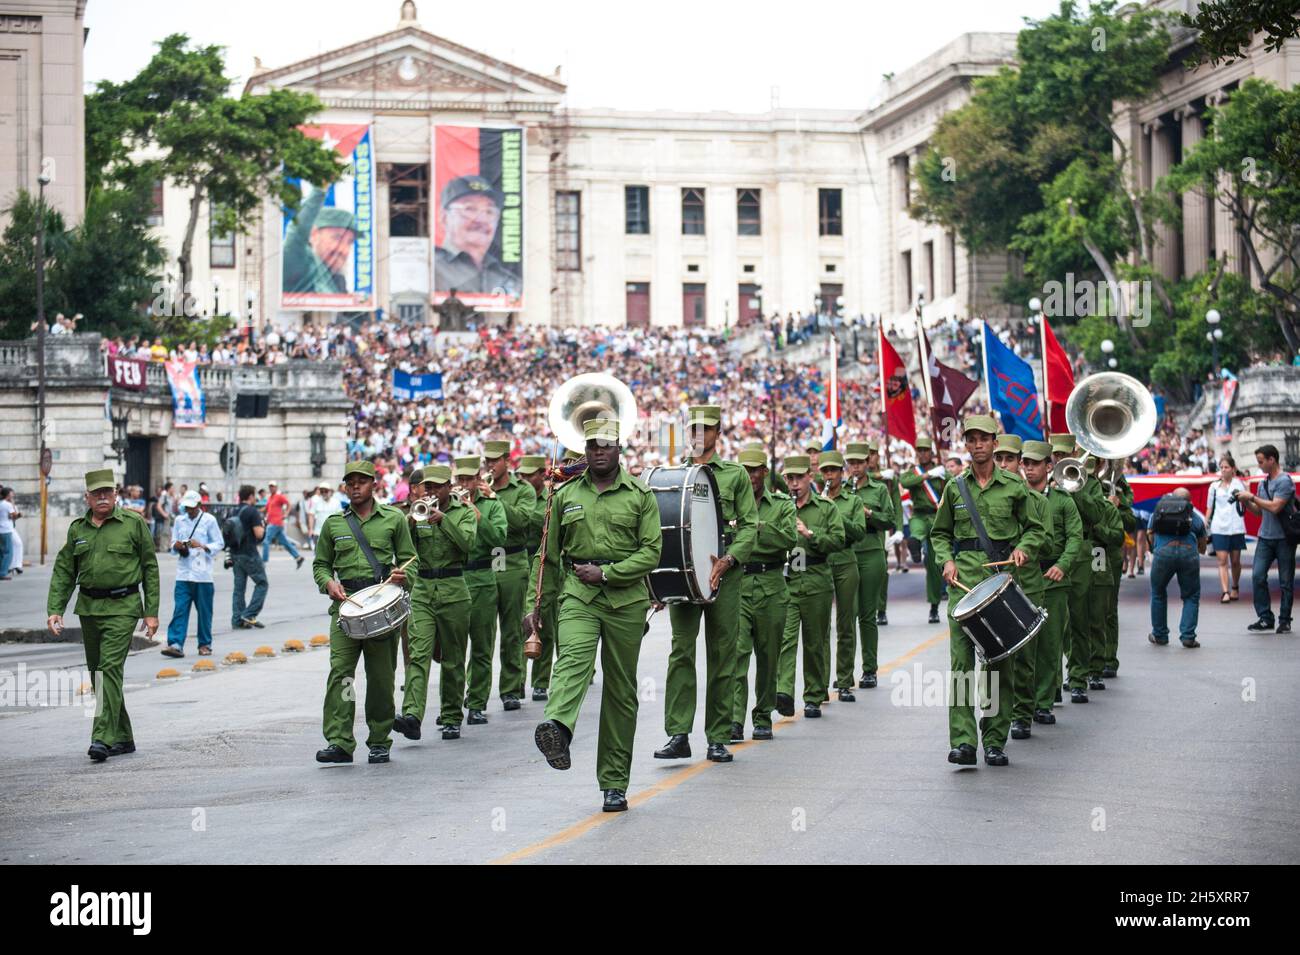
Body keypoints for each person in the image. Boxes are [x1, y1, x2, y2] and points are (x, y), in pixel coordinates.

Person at [528, 417, 662, 813]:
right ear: (584, 451)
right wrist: (533, 607)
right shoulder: (565, 495)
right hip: (578, 594)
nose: (598, 451)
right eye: (592, 446)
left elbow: (651, 551)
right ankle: (558, 729)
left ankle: (614, 783)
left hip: (626, 599)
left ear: (619, 448)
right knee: (572, 660)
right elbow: (547, 557)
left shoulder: (640, 495)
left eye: (605, 444)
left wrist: (608, 573)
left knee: (621, 693)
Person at [930, 415, 1044, 767]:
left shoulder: (1013, 486)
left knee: (998, 663)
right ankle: (963, 741)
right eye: (971, 439)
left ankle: (995, 739)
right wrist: (945, 561)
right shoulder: (955, 487)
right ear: (965, 444)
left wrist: (1023, 549)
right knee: (962, 664)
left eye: (984, 439)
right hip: (962, 588)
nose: (977, 444)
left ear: (996, 443)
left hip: (1000, 586)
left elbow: (1035, 529)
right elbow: (939, 534)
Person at [658, 405, 757, 762]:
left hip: (724, 576)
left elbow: (749, 526)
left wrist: (729, 560)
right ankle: (678, 734)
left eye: (705, 428)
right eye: (693, 428)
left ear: (718, 432)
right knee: (680, 652)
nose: (698, 435)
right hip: (685, 572)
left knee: (722, 654)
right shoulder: (675, 474)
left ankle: (717, 735)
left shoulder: (735, 475)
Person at [46, 470, 160, 761]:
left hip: (124, 607)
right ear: (87, 497)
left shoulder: (133, 524)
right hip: (89, 608)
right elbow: (64, 571)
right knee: (98, 673)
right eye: (96, 493)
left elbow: (149, 567)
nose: (102, 497)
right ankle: (123, 736)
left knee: (109, 668)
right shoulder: (77, 530)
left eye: (107, 492)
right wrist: (55, 608)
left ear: (116, 494)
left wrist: (151, 612)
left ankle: (101, 737)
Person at [312, 460, 415, 764]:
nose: (355, 486)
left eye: (362, 481)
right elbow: (320, 564)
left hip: (381, 606)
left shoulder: (394, 519)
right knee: (342, 675)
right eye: (350, 482)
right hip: (345, 608)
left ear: (374, 485)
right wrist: (328, 582)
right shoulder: (334, 523)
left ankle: (380, 739)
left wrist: (403, 574)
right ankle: (340, 740)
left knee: (381, 677)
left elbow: (412, 560)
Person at [395, 466, 476, 742]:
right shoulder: (416, 512)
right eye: (427, 487)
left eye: (437, 487)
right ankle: (412, 716)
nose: (430, 492)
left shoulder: (463, 512)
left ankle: (452, 716)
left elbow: (468, 544)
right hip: (423, 590)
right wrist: (410, 522)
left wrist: (443, 521)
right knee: (417, 654)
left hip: (454, 588)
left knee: (453, 658)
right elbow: (403, 548)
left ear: (448, 487)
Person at [731, 447, 795, 741]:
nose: (750, 476)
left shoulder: (781, 504)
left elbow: (787, 539)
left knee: (768, 656)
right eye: (744, 470)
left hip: (771, 584)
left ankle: (763, 715)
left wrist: (752, 528)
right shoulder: (729, 506)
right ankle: (734, 718)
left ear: (764, 473)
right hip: (739, 584)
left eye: (755, 470)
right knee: (738, 653)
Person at [775, 455, 846, 720]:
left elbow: (839, 541)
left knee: (815, 642)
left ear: (809, 477)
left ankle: (814, 695)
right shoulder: (781, 506)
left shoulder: (825, 508)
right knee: (786, 639)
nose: (794, 484)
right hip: (789, 579)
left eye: (798, 478)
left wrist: (810, 535)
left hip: (816, 578)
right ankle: (783, 691)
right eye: (789, 479)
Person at [1019, 441, 1082, 727]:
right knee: (1022, 645)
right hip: (1022, 579)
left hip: (1053, 581)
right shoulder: (1016, 497)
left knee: (1049, 644)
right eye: (1026, 463)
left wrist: (1062, 565)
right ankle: (1023, 704)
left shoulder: (1062, 500)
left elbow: (1074, 537)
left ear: (1048, 466)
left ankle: (1043, 703)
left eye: (1035, 463)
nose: (1029, 468)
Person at [484, 439, 534, 711]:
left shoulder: (522, 490)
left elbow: (522, 522)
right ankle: (476, 692)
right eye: (487, 461)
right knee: (482, 632)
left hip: (513, 561)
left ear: (507, 461)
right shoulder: (480, 488)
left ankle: (511, 688)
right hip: (484, 563)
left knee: (512, 630)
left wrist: (493, 500)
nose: (490, 465)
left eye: (495, 460)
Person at [458, 455, 508, 726]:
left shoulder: (491, 505)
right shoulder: (448, 506)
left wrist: (478, 516)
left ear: (478, 480)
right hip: (456, 578)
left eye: (469, 479)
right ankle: (452, 706)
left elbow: (499, 540)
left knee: (481, 646)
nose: (464, 484)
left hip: (482, 577)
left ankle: (476, 702)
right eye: (460, 479)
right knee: (454, 650)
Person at [844, 443, 894, 688]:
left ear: (867, 463)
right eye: (851, 463)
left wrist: (869, 514)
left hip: (871, 551)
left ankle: (869, 670)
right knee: (847, 615)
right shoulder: (841, 490)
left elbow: (890, 520)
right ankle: (844, 673)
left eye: (859, 463)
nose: (855, 467)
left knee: (867, 614)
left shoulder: (879, 489)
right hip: (847, 553)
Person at [820, 451, 866, 704]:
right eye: (825, 471)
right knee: (821, 627)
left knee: (846, 623)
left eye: (834, 471)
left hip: (847, 561)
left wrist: (836, 515)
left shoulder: (852, 501)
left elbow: (859, 531)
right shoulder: (817, 501)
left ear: (841, 473)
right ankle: (820, 684)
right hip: (824, 562)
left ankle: (845, 680)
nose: (830, 476)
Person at [1238, 443, 1296, 634]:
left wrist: (1252, 497)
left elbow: (1275, 507)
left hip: (1284, 538)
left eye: (1261, 461)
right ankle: (1265, 617)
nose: (1260, 465)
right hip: (1265, 536)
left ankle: (1285, 620)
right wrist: (1245, 500)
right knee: (1257, 576)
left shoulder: (1285, 481)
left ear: (1272, 460)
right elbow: (1259, 512)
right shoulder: (1263, 483)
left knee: (1285, 581)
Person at [161, 490, 224, 658]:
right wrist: (178, 546)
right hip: (183, 572)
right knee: (180, 609)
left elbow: (219, 543)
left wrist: (201, 545)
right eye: (186, 507)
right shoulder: (180, 521)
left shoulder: (209, 520)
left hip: (203, 574)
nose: (189, 511)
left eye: (191, 507)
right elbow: (173, 543)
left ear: (198, 505)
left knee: (204, 612)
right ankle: (175, 643)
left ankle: (204, 644)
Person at [433, 175, 520, 296]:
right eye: (470, 209)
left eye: (489, 211)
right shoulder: (429, 265)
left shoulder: (507, 278)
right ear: (444, 217)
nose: (481, 219)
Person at [1148, 487, 1208, 647]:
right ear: (1190, 502)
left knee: (1158, 592)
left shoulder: (1159, 512)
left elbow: (1150, 533)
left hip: (1163, 553)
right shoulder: (1195, 518)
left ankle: (1159, 635)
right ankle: (1188, 636)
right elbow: (1203, 548)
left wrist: (1156, 547)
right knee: (1191, 596)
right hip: (1188, 554)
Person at [900, 437, 949, 623]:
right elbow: (905, 482)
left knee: (934, 565)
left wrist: (945, 475)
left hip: (937, 516)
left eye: (925, 450)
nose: (921, 453)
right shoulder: (914, 472)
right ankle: (915, 545)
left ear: (931, 452)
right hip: (919, 514)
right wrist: (928, 476)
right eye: (918, 450)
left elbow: (952, 484)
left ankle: (934, 606)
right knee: (915, 531)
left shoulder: (941, 471)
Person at [283, 186, 357, 296]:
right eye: (337, 237)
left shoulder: (337, 281)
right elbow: (297, 233)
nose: (343, 249)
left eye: (349, 242)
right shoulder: (301, 263)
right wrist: (319, 190)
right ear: (314, 235)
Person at [1207, 453, 1247, 603]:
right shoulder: (1214, 486)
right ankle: (1225, 591)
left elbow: (1245, 504)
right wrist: (1205, 523)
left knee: (1235, 561)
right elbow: (1209, 508)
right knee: (1222, 561)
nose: (1223, 470)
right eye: (1221, 467)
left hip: (1236, 527)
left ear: (1233, 469)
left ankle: (1235, 587)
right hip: (1219, 527)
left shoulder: (1239, 484)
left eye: (1226, 467)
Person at [229, 485, 268, 629]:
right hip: (249, 553)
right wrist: (264, 528)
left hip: (235, 553)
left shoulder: (234, 510)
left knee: (239, 588)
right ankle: (249, 614)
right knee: (262, 583)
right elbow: (258, 534)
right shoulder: (252, 511)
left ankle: (237, 619)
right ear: (251, 496)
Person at [261, 481, 304, 568]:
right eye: (270, 486)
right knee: (285, 542)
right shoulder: (270, 498)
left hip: (276, 522)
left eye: (273, 486)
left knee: (266, 541)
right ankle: (298, 557)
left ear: (276, 487)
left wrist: (286, 514)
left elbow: (288, 504)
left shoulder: (279, 496)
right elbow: (266, 509)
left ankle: (263, 562)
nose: (271, 488)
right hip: (273, 522)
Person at [308, 481, 336, 549]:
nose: (323, 493)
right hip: (318, 532)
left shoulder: (336, 502)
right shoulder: (316, 501)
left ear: (329, 491)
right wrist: (311, 529)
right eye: (321, 491)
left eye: (325, 491)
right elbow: (311, 515)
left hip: (333, 532)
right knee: (318, 554)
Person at [0, 486, 17, 580]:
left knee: (1, 552)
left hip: (1, 530)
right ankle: (3, 573)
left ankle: (1, 571)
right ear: (8, 494)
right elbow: (14, 515)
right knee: (8, 552)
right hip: (6, 530)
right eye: (11, 493)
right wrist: (12, 503)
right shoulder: (7, 504)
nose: (13, 495)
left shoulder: (1, 503)